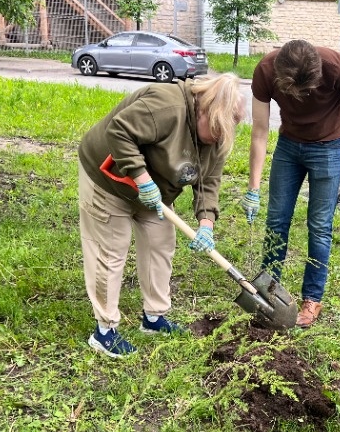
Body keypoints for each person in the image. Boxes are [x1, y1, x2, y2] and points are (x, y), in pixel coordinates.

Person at [77, 73, 246, 358]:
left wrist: (206, 223)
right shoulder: (167, 106)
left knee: (161, 245)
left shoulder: (218, 135)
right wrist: (143, 181)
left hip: (156, 193)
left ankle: (154, 318)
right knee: (111, 250)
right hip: (109, 178)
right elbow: (119, 131)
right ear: (204, 110)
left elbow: (209, 182)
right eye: (216, 130)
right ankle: (104, 330)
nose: (218, 138)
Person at [244, 39, 340, 328]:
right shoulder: (265, 70)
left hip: (329, 146)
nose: (298, 97)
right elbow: (260, 132)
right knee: (276, 221)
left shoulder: (334, 65)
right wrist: (253, 188)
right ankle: (270, 291)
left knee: (320, 225)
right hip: (289, 147)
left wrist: (337, 93)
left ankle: (312, 298)